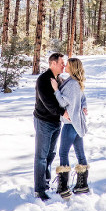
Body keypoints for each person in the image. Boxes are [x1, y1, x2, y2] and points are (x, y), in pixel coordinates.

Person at [51, 57, 89, 197]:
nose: (65, 65)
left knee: (63, 153)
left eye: (67, 64)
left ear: (72, 67)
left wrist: (56, 89)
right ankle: (82, 185)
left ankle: (63, 187)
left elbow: (62, 102)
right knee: (80, 153)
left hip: (70, 124)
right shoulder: (74, 82)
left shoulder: (72, 84)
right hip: (76, 122)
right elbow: (82, 97)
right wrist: (84, 106)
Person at [33, 52, 68, 201]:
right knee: (41, 157)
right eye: (61, 63)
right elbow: (49, 104)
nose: (64, 65)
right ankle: (39, 190)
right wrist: (63, 113)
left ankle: (46, 183)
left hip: (56, 123)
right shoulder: (43, 80)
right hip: (43, 122)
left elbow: (65, 98)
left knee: (51, 155)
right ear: (53, 63)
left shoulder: (59, 80)